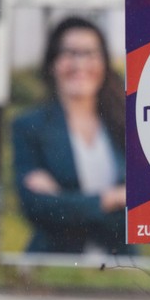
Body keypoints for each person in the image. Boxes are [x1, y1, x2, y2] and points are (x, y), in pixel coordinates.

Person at [12, 16, 132, 255]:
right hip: (52, 264)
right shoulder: (29, 126)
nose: (79, 64)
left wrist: (64, 200)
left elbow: (142, 210)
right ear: (52, 62)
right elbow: (36, 209)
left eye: (89, 53)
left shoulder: (127, 124)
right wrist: (113, 199)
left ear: (104, 63)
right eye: (69, 53)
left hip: (123, 267)